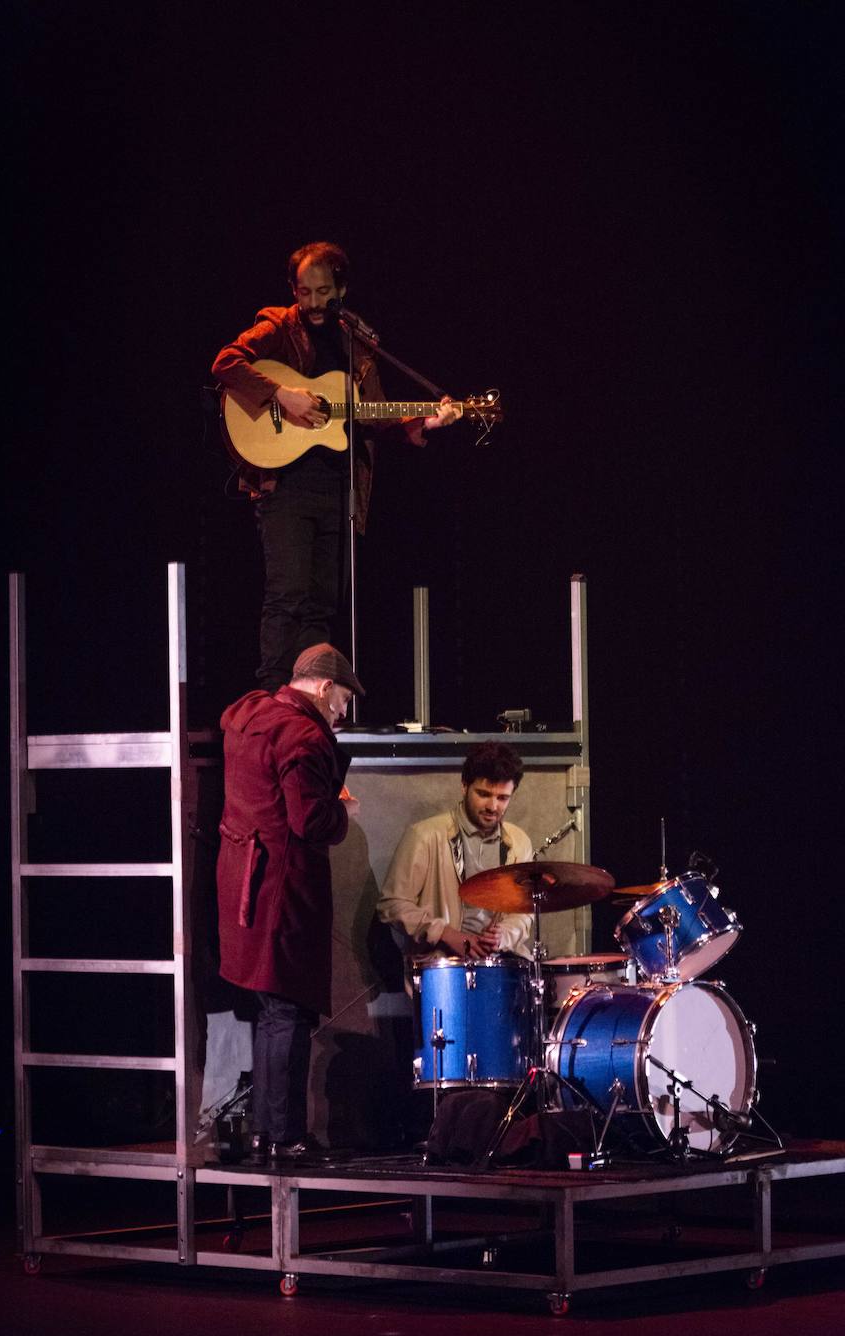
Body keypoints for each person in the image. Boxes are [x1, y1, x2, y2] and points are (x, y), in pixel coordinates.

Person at [212, 240, 460, 690]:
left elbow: (377, 414)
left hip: (338, 489)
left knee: (322, 603)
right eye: (303, 292)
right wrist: (280, 394)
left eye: (322, 291)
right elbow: (226, 363)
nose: (312, 302)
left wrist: (422, 420)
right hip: (285, 486)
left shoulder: (358, 345)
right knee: (287, 595)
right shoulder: (278, 326)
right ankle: (269, 698)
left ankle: (311, 695)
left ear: (340, 288)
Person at [215, 643, 364, 1163]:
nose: (343, 713)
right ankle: (287, 1138)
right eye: (343, 700)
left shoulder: (250, 712)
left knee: (270, 1009)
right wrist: (343, 810)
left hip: (242, 879)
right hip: (283, 885)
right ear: (324, 687)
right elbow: (309, 822)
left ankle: (264, 1131)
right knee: (289, 1010)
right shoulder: (304, 735)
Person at [377, 741, 534, 959]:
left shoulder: (519, 842)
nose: (492, 806)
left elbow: (524, 912)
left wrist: (504, 935)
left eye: (502, 798)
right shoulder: (425, 835)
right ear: (464, 785)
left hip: (502, 964)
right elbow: (391, 906)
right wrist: (445, 934)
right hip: (443, 967)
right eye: (483, 794)